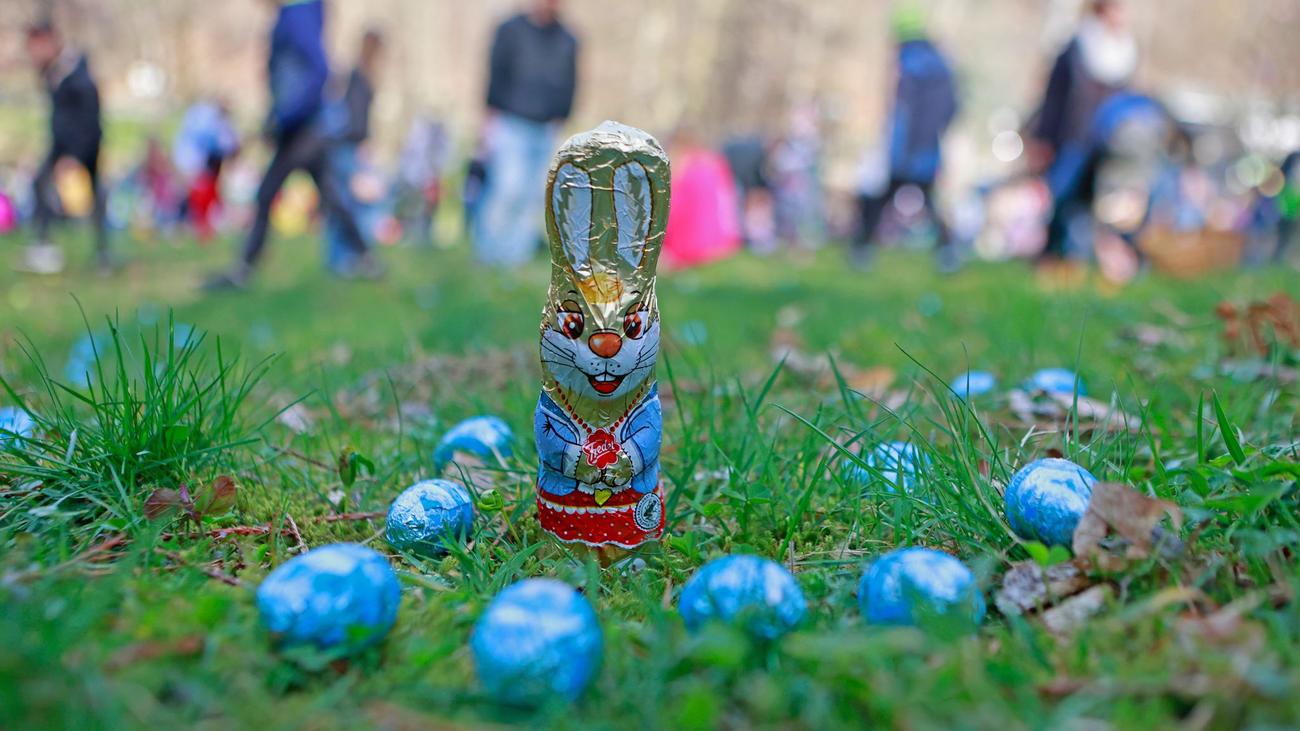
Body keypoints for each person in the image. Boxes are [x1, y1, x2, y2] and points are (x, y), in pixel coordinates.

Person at [204, 0, 380, 290]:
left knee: (268, 193)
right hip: (302, 126)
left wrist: (285, 117)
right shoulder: (295, 15)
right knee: (331, 197)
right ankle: (367, 258)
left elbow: (317, 69)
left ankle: (244, 267)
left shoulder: (296, 15)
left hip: (301, 129)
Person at [852, 4, 959, 271]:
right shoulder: (940, 63)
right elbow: (951, 107)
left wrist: (901, 145)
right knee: (928, 199)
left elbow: (904, 111)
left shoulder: (910, 62)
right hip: (927, 146)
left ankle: (861, 249)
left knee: (880, 196)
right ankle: (947, 251)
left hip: (906, 147)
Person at [1029, 0, 1137, 261]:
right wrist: (1043, 137)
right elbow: (1055, 98)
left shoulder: (1127, 51)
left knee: (1092, 200)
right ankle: (1051, 252)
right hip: (1073, 135)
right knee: (1062, 194)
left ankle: (1078, 255)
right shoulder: (1077, 47)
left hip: (1106, 139)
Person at [474, 0, 579, 267]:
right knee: (508, 188)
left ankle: (514, 258)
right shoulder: (510, 30)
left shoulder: (568, 39)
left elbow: (571, 83)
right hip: (511, 122)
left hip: (546, 127)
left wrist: (562, 120)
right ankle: (489, 253)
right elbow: (495, 76)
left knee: (531, 195)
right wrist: (488, 121)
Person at [22, 20, 110, 275]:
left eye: (38, 46)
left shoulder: (75, 71)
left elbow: (88, 118)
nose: (34, 53)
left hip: (83, 145)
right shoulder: (53, 71)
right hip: (61, 144)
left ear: (51, 41)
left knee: (93, 196)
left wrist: (74, 156)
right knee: (40, 184)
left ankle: (102, 254)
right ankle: (44, 245)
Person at [323, 29, 384, 273]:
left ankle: (344, 258)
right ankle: (343, 259)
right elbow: (356, 117)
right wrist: (362, 143)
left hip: (346, 145)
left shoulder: (354, 76)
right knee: (346, 204)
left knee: (344, 203)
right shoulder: (359, 77)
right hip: (349, 147)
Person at [173, 99, 240, 240]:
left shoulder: (209, 119)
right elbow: (221, 144)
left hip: (205, 162)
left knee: (206, 193)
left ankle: (199, 223)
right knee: (199, 194)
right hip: (201, 161)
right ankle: (193, 223)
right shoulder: (209, 120)